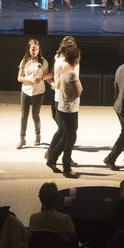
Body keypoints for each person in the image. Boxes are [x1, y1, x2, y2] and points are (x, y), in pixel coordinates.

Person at [46, 36, 79, 172]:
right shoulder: (64, 64)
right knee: (67, 133)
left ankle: (54, 157)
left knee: (65, 132)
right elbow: (75, 88)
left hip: (66, 100)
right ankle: (59, 158)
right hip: (64, 100)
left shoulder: (63, 62)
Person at [55, 45, 83, 178]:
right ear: (76, 58)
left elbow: (60, 85)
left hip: (64, 107)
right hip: (69, 109)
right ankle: (66, 167)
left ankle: (51, 158)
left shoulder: (64, 68)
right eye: (79, 56)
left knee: (67, 136)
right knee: (71, 137)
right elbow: (79, 91)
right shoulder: (72, 73)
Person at [17, 39, 49, 149]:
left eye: (36, 49)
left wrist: (41, 78)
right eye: (32, 49)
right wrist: (28, 79)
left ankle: (38, 135)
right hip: (26, 90)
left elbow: (47, 75)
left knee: (35, 115)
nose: (34, 51)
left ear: (39, 49)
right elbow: (19, 78)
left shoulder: (43, 61)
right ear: (29, 49)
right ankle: (22, 138)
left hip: (39, 91)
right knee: (23, 116)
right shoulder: (24, 61)